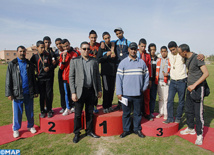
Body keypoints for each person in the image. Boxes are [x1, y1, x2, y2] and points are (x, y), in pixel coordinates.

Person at [69, 41, 102, 143]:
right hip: (80, 91)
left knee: (89, 112)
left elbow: (97, 76)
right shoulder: (75, 61)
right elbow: (71, 77)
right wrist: (73, 92)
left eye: (88, 49)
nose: (86, 50)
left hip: (91, 91)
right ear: (80, 49)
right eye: (84, 49)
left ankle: (89, 131)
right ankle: (77, 133)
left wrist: (99, 90)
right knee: (78, 114)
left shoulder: (94, 61)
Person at [116, 42, 149, 138]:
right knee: (126, 113)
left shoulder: (141, 62)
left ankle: (136, 129)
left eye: (135, 49)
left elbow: (146, 76)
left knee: (137, 113)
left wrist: (144, 88)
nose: (133, 51)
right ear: (128, 50)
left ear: (137, 50)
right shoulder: (123, 63)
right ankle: (126, 130)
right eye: (131, 49)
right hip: (125, 95)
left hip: (138, 94)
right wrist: (119, 92)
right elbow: (118, 79)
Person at [178, 44, 209, 145]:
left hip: (198, 89)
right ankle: (191, 128)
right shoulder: (186, 59)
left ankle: (199, 135)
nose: (179, 54)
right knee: (189, 110)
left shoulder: (197, 58)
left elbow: (206, 73)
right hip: (189, 88)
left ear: (184, 52)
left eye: (180, 52)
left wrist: (194, 85)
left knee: (198, 113)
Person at [5, 46, 38, 138]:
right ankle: (16, 129)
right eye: (20, 51)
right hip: (17, 93)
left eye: (24, 51)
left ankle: (30, 126)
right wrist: (9, 93)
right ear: (17, 52)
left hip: (29, 92)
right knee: (17, 112)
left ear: (25, 52)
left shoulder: (30, 64)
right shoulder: (12, 64)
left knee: (30, 111)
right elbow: (8, 79)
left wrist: (35, 91)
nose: (22, 53)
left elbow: (33, 79)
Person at [163, 41, 187, 124]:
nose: (172, 51)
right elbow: (160, 56)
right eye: (171, 50)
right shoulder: (169, 55)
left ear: (177, 47)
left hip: (182, 81)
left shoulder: (182, 55)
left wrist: (200, 55)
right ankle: (170, 118)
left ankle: (178, 117)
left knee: (181, 101)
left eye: (173, 49)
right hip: (172, 82)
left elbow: (191, 54)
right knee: (169, 100)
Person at [30, 41, 54, 118]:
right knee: (42, 95)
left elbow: (53, 65)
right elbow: (30, 65)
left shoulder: (48, 55)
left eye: (44, 47)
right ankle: (42, 110)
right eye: (41, 47)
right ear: (37, 48)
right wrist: (36, 72)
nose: (43, 49)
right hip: (40, 79)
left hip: (48, 78)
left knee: (49, 95)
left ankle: (49, 110)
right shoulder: (35, 56)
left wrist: (49, 68)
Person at [97, 32, 117, 113]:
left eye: (108, 37)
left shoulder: (113, 45)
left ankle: (109, 105)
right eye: (105, 38)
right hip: (105, 72)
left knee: (112, 90)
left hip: (113, 72)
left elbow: (116, 41)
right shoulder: (102, 47)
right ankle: (105, 106)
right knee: (106, 90)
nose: (107, 39)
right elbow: (98, 60)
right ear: (103, 39)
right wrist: (106, 55)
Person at [59, 39, 79, 116]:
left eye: (67, 45)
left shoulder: (76, 52)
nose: (66, 48)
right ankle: (67, 108)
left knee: (74, 92)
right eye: (64, 46)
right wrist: (63, 59)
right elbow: (61, 67)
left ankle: (74, 106)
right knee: (66, 93)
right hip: (65, 77)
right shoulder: (62, 54)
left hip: (75, 77)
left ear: (69, 44)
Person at [113, 27, 131, 111]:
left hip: (126, 67)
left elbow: (134, 51)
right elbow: (104, 42)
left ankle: (126, 104)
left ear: (123, 32)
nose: (118, 35)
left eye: (119, 33)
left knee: (126, 85)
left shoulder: (127, 42)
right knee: (119, 85)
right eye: (116, 34)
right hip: (117, 66)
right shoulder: (115, 42)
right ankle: (119, 103)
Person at [138, 38, 152, 121]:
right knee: (137, 97)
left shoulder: (147, 55)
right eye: (142, 46)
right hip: (136, 79)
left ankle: (147, 113)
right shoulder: (135, 54)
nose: (143, 48)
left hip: (145, 78)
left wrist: (150, 79)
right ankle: (138, 113)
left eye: (144, 46)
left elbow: (149, 68)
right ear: (138, 45)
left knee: (147, 97)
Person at [155, 46, 171, 120]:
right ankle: (160, 112)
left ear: (167, 52)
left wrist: (168, 75)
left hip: (166, 81)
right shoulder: (158, 60)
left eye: (165, 51)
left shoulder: (170, 60)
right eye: (162, 51)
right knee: (160, 98)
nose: (163, 53)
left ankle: (166, 113)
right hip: (159, 81)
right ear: (160, 52)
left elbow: (172, 71)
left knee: (166, 98)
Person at [88, 30, 100, 113]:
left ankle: (95, 106)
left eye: (95, 37)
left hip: (96, 71)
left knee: (96, 89)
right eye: (92, 37)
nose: (93, 39)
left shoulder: (99, 45)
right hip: (87, 71)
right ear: (89, 37)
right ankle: (90, 106)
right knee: (89, 89)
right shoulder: (86, 46)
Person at [55, 38, 66, 113]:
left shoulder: (66, 51)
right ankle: (63, 106)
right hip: (61, 71)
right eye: (57, 44)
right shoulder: (55, 53)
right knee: (61, 90)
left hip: (68, 71)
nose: (59, 45)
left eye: (60, 43)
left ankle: (71, 106)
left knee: (69, 90)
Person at [148, 43, 158, 118]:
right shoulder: (147, 57)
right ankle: (145, 112)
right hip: (147, 81)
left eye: (154, 50)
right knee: (146, 97)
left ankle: (151, 111)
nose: (153, 51)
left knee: (153, 97)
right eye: (151, 50)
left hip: (155, 81)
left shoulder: (157, 58)